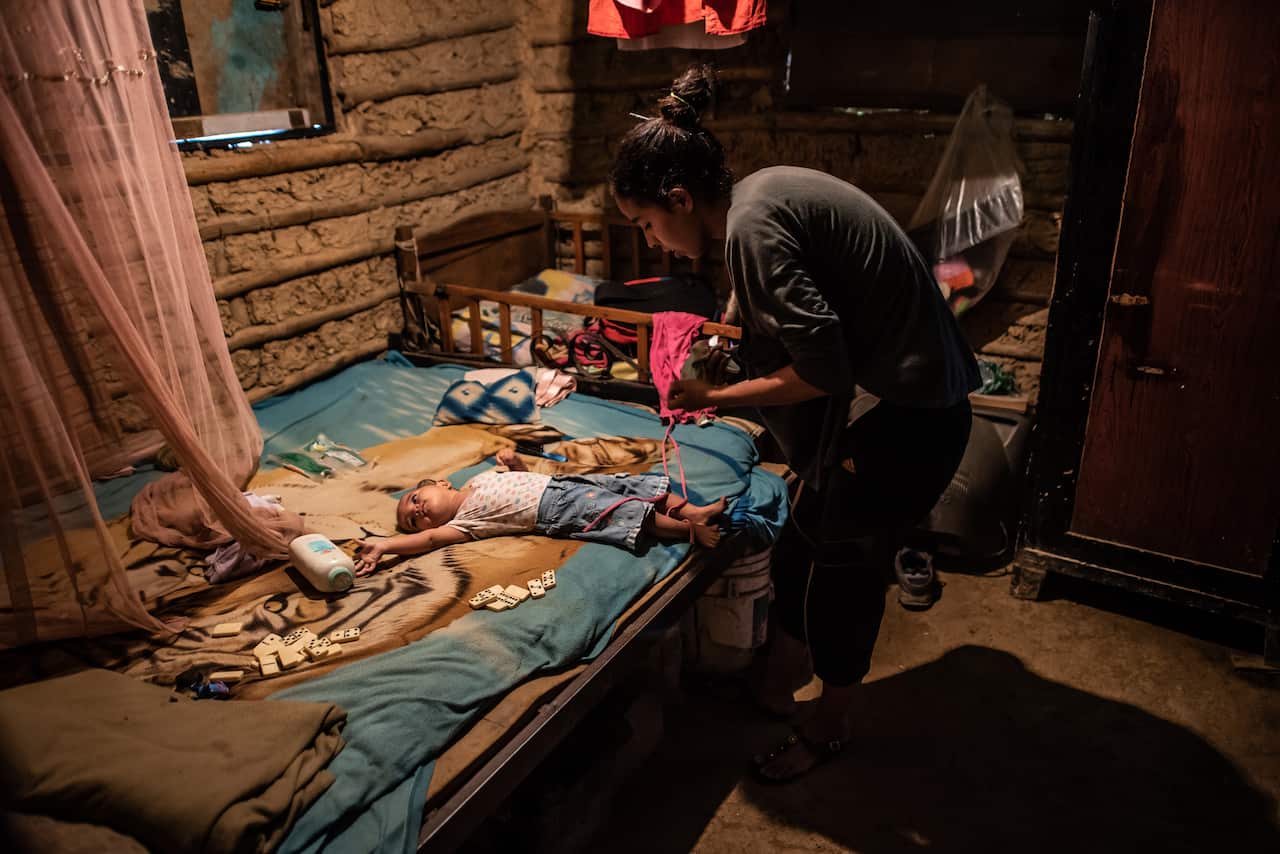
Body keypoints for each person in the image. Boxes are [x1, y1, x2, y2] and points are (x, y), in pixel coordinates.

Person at [609, 65, 980, 783]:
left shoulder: (752, 228)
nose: (652, 243)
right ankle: (776, 685)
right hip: (898, 402)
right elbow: (759, 299)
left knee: (842, 574)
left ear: (680, 200)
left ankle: (829, 725)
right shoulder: (760, 193)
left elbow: (825, 372)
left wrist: (713, 399)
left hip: (910, 418)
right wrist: (719, 345)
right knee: (796, 553)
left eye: (646, 224)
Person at [353, 448, 725, 574]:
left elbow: (520, 479)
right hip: (554, 511)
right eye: (412, 519)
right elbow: (431, 539)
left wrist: (515, 462)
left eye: (415, 500)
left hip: (562, 484)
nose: (417, 512)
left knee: (631, 485)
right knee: (621, 510)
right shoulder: (466, 523)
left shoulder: (481, 478)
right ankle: (688, 531)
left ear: (441, 483)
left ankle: (693, 510)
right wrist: (385, 545)